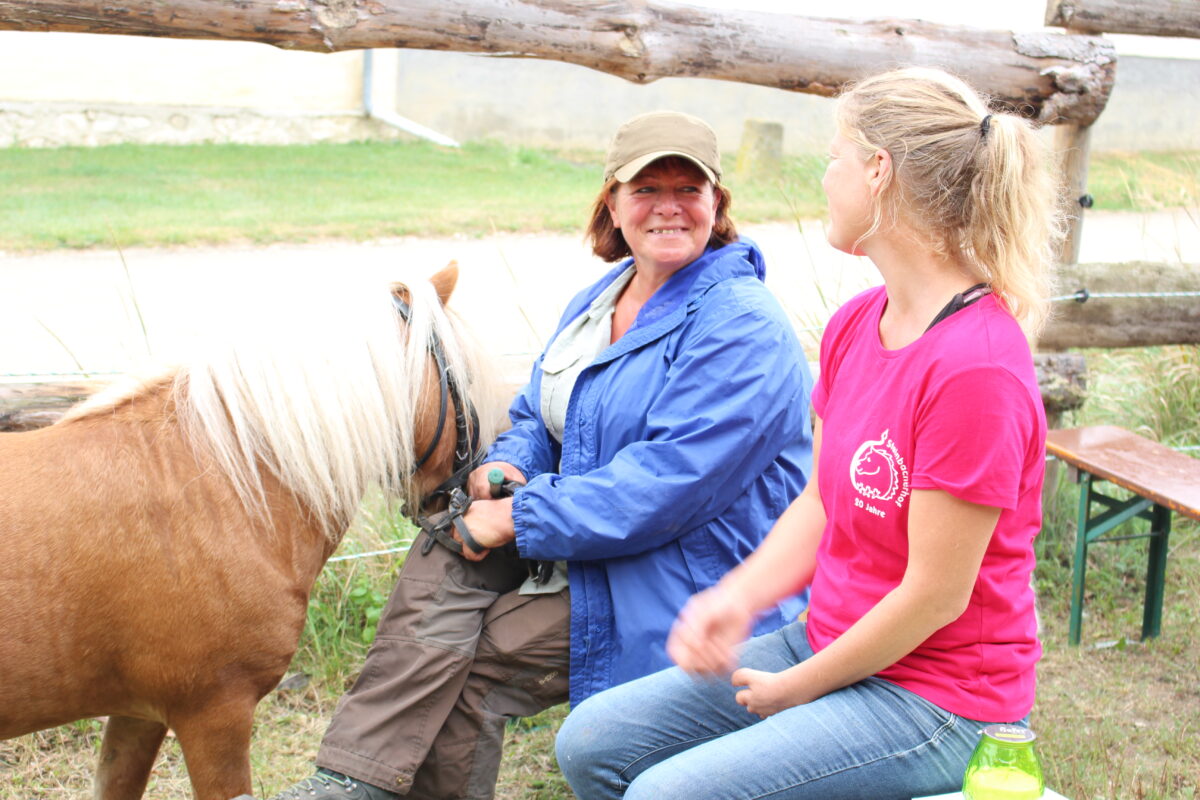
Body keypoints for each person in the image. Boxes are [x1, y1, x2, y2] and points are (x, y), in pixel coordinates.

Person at [256, 110, 813, 800]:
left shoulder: (741, 323)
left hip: (684, 569)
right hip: (602, 543)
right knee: (447, 548)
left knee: (474, 663)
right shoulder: (601, 298)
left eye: (689, 189)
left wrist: (517, 519)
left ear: (716, 205)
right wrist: (510, 466)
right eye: (647, 190)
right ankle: (348, 781)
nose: (668, 207)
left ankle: (357, 782)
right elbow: (540, 413)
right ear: (612, 201)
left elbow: (670, 482)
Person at [555, 67, 1059, 800]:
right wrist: (735, 598)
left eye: (835, 156)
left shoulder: (976, 367)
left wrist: (798, 688)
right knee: (592, 743)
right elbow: (820, 502)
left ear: (878, 172)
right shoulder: (859, 323)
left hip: (939, 699)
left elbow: (935, 597)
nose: (826, 178)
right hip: (829, 636)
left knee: (668, 794)